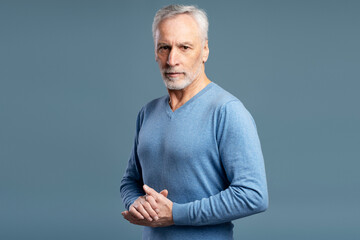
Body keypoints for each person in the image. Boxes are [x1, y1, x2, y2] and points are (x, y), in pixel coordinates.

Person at [120, 4, 268, 240]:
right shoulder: (147, 112)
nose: (172, 59)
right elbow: (130, 181)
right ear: (155, 52)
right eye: (164, 48)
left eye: (184, 47)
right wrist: (137, 202)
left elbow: (253, 195)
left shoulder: (227, 111)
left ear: (205, 50)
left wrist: (176, 214)